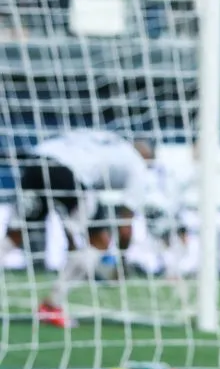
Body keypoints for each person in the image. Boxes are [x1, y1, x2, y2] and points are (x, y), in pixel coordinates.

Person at [0, 129, 155, 329]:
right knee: (99, 241)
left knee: (15, 235)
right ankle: (51, 306)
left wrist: (72, 240)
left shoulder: (107, 139)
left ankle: (51, 304)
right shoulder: (137, 165)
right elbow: (125, 227)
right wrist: (122, 264)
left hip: (36, 162)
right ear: (147, 155)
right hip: (66, 172)